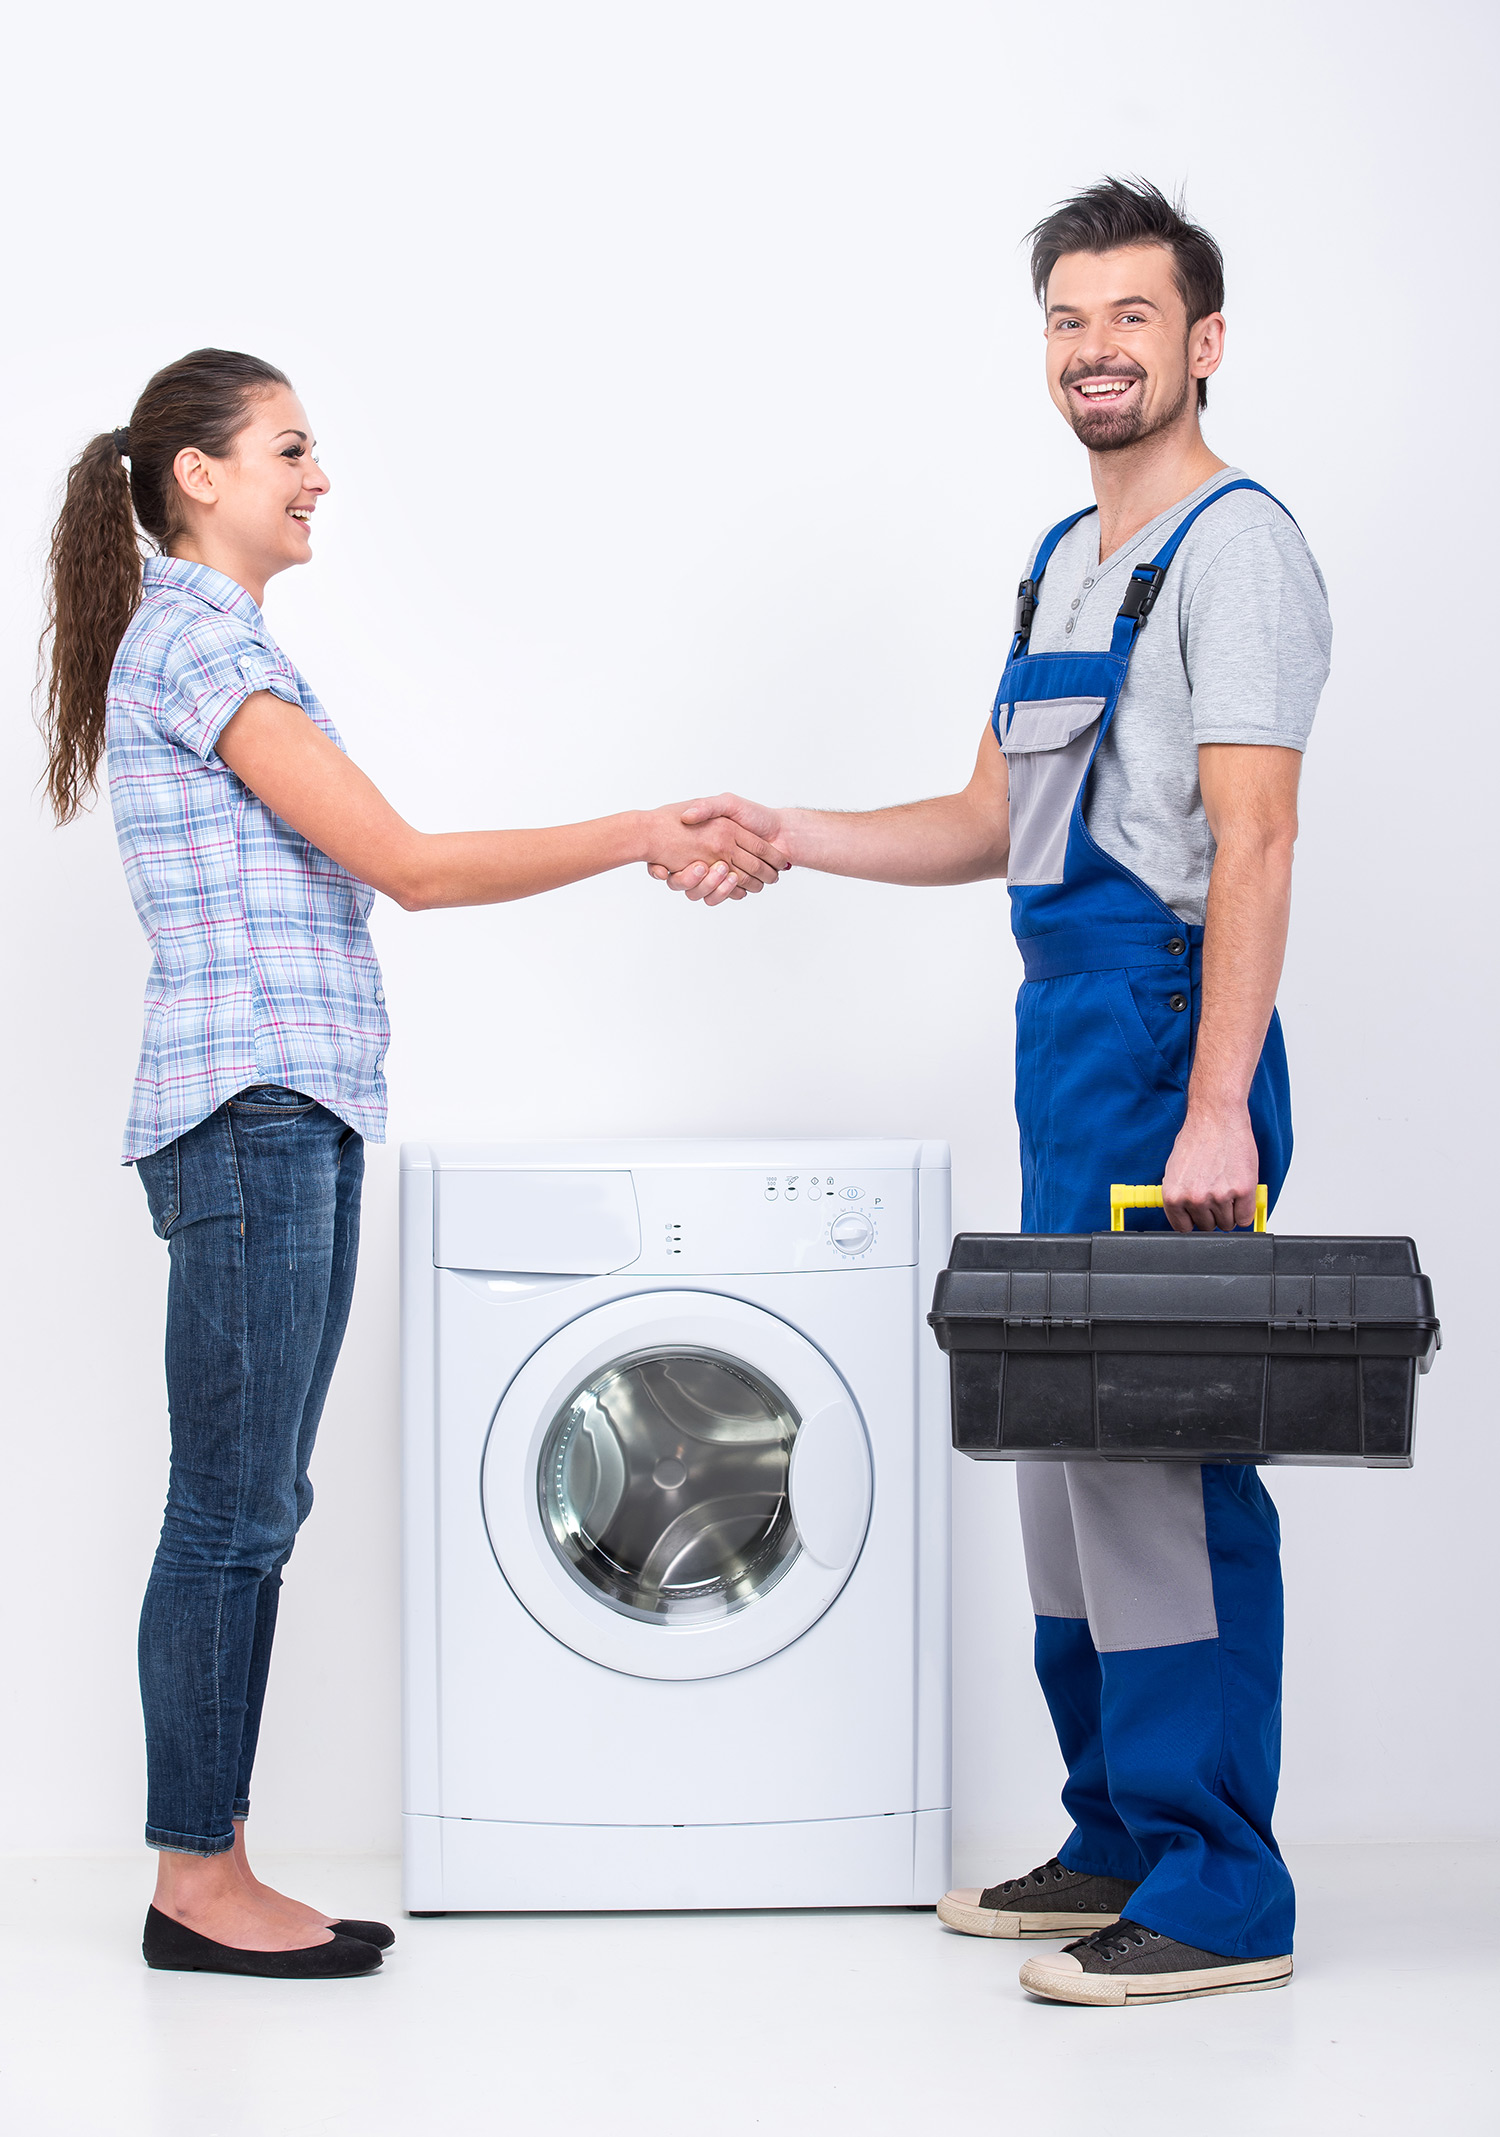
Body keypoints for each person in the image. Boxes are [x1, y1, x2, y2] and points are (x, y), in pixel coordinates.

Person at [655, 178, 1331, 2007]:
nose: (1095, 349)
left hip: (1171, 1032)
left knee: (1160, 1460)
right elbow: (990, 821)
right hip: (1066, 1038)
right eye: (1066, 318)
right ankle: (1115, 1828)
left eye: (1132, 317)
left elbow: (1254, 841)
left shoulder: (1236, 549)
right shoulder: (1063, 555)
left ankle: (1221, 1879)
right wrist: (793, 833)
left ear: (1202, 344)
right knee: (1059, 1449)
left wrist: (1213, 1115)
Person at [39, 348, 786, 1981]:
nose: (318, 477)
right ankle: (196, 1878)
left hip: (289, 1106)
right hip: (252, 1111)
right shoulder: (197, 645)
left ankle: (211, 1861)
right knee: (232, 1510)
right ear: (198, 477)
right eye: (289, 449)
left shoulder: (223, 648)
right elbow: (409, 867)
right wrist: (640, 827)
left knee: (255, 1502)